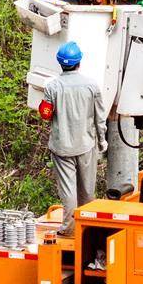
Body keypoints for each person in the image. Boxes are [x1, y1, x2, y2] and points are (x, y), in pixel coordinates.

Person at [39, 41, 106, 232]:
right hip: (86, 144)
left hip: (62, 147)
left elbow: (45, 114)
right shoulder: (92, 85)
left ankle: (69, 227)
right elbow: (100, 117)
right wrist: (102, 140)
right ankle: (87, 227)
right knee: (87, 188)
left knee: (68, 189)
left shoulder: (52, 87)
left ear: (60, 63)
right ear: (79, 62)